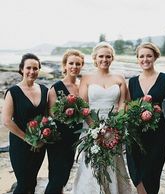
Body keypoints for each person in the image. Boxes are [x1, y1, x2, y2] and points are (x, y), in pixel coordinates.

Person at [73, 42, 132, 194]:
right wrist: (95, 128)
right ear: (95, 58)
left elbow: (123, 104)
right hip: (92, 127)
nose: (104, 59)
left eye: (108, 56)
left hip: (114, 129)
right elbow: (83, 106)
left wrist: (115, 127)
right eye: (101, 56)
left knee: (113, 163)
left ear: (112, 58)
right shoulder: (86, 78)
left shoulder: (119, 78)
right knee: (92, 164)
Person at [126, 42, 165, 194]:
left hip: (158, 137)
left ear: (155, 57)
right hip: (136, 137)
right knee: (137, 172)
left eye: (149, 56)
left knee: (152, 175)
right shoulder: (132, 82)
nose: (145, 59)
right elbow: (127, 108)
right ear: (137, 59)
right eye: (141, 56)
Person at [2, 53, 48, 193]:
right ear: (21, 69)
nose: (32, 72)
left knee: (32, 182)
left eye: (35, 68)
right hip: (19, 144)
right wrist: (27, 138)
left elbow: (47, 117)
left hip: (39, 144)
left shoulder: (44, 90)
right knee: (23, 183)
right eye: (28, 68)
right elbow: (7, 121)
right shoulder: (13, 92)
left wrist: (44, 136)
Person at [45, 49, 84, 193]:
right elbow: (53, 114)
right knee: (56, 177)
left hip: (75, 138)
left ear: (82, 66)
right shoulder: (56, 88)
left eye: (78, 64)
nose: (74, 66)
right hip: (58, 138)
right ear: (65, 65)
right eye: (71, 63)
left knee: (65, 174)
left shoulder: (82, 86)